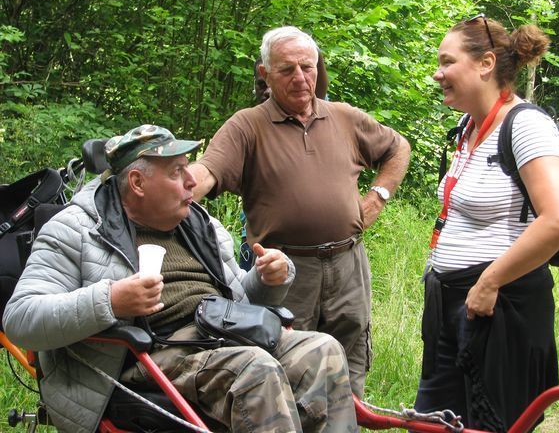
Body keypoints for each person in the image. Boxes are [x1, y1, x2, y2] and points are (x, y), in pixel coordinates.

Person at [3, 125, 358, 433]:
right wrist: (110, 300)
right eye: (176, 172)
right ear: (138, 182)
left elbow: (239, 300)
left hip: (220, 333)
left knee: (322, 349)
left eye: (187, 168)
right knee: (256, 370)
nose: (192, 180)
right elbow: (20, 318)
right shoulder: (76, 229)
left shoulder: (198, 224)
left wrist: (267, 281)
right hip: (150, 352)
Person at [189, 26, 411, 397]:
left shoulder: (344, 118)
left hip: (348, 267)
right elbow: (208, 172)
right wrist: (170, 187)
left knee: (350, 367)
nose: (300, 78)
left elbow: (398, 148)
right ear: (265, 73)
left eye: (307, 67)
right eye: (286, 69)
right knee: (289, 371)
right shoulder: (247, 126)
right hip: (285, 273)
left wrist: (377, 197)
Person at [414, 15, 559, 431]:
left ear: (485, 64)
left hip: (498, 309)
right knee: (432, 423)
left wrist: (488, 283)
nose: (438, 74)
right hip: (450, 305)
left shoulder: (526, 126)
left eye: (447, 62)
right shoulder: (466, 128)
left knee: (491, 425)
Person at [239, 49, 330, 271]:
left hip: (310, 251)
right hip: (258, 244)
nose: (268, 92)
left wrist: (306, 52)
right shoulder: (249, 126)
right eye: (262, 84)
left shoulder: (314, 118)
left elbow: (319, 89)